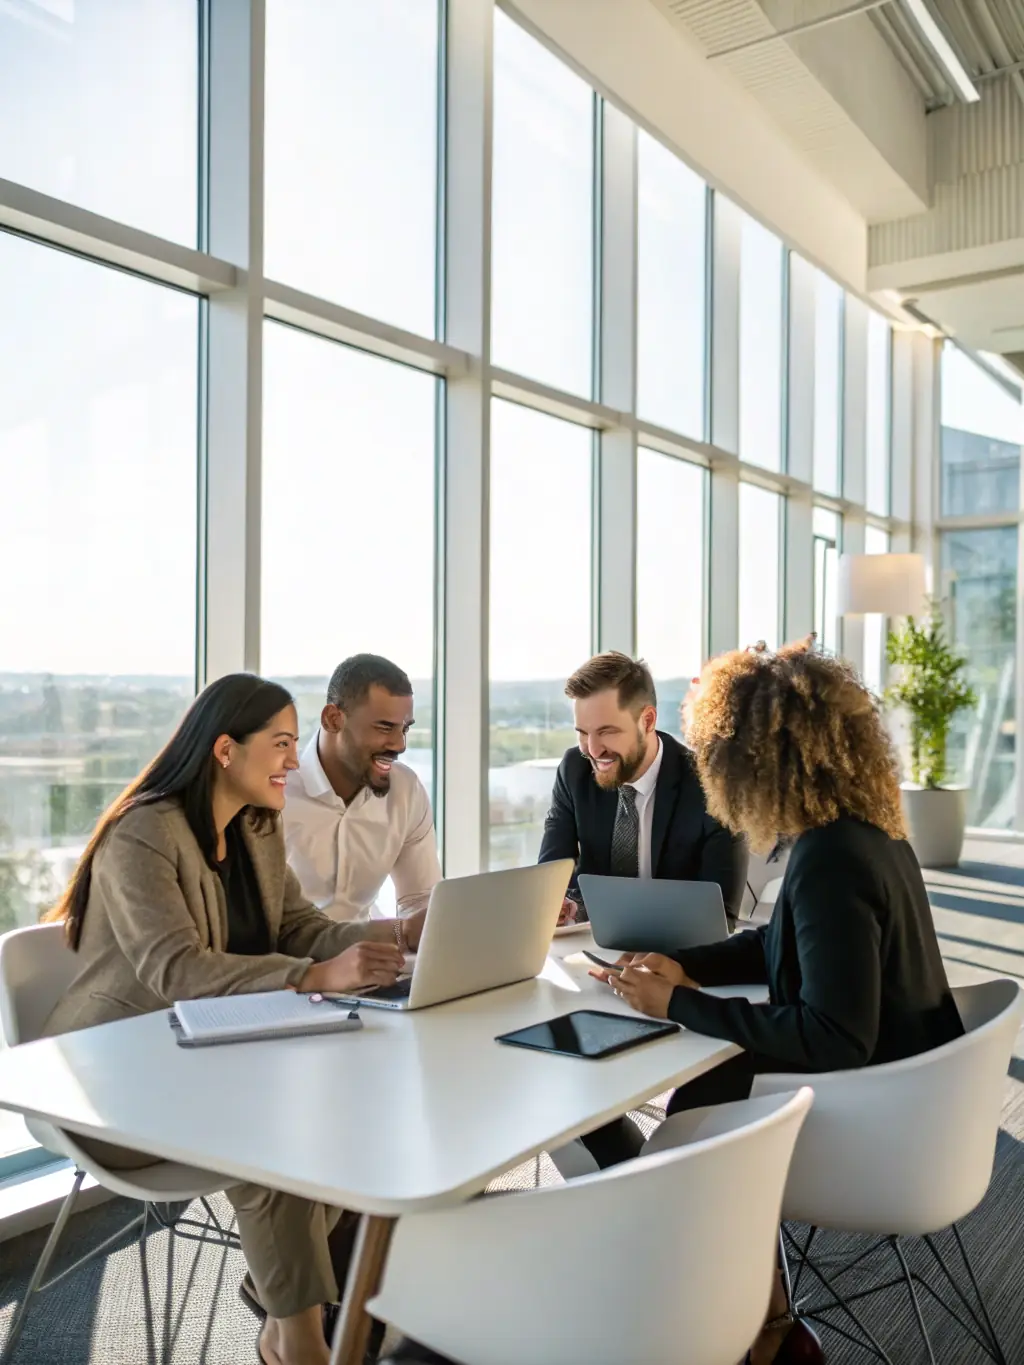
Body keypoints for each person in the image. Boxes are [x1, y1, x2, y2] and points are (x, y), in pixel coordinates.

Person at [592, 640, 964, 1365]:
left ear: (753, 759)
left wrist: (675, 1003)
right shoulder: (861, 834)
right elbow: (781, 945)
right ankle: (762, 1316)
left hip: (873, 1130)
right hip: (913, 1101)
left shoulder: (832, 860)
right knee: (707, 1094)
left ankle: (735, 1324)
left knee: (696, 1121)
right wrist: (685, 967)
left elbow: (831, 1034)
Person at [42, 674, 425, 1365]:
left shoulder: (255, 824)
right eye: (280, 743)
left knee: (349, 1107)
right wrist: (309, 977)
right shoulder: (144, 833)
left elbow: (299, 925)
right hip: (112, 1078)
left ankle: (289, 1319)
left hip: (210, 1057)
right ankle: (300, 1337)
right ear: (225, 749)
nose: (292, 760)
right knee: (269, 1138)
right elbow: (176, 970)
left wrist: (402, 937)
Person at [538, 651, 748, 927]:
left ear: (648, 721)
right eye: (583, 732)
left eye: (606, 731)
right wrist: (563, 905)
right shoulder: (574, 771)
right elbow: (548, 880)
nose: (592, 749)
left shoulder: (712, 785)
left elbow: (721, 915)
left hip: (677, 954)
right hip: (590, 948)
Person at [283, 655, 441, 922]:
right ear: (333, 719)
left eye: (405, 729)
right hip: (291, 960)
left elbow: (420, 900)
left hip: (367, 954)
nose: (400, 744)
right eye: (384, 727)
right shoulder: (277, 789)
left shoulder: (406, 791)